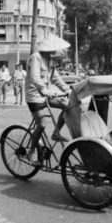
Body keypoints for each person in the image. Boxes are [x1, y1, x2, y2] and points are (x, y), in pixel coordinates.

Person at [25, 34, 72, 166]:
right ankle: (31, 151)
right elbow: (35, 78)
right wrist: (45, 91)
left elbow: (56, 79)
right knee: (42, 123)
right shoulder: (36, 58)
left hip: (46, 94)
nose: (56, 51)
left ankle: (56, 132)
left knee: (67, 105)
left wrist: (67, 90)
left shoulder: (51, 61)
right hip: (34, 96)